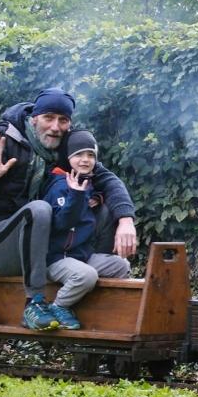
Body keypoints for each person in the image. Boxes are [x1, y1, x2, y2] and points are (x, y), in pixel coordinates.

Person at [0, 88, 138, 331]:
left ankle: (87, 286)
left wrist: (126, 219)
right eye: (49, 118)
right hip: (0, 244)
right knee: (40, 209)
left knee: (104, 207)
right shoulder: (5, 141)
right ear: (34, 118)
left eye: (63, 120)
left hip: (47, 249)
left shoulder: (66, 147)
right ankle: (32, 303)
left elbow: (108, 179)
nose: (55, 127)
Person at [41, 130, 133, 329]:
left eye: (91, 155)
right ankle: (58, 306)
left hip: (81, 255)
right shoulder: (58, 185)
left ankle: (103, 310)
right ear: (67, 157)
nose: (85, 160)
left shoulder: (87, 183)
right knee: (86, 275)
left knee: (121, 265)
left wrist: (97, 199)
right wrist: (76, 196)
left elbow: (108, 188)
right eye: (79, 154)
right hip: (57, 258)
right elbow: (62, 222)